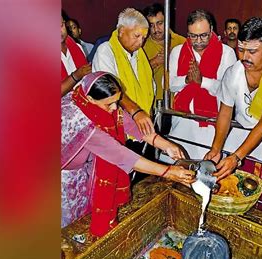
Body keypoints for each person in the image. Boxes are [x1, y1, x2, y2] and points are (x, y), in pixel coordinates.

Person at [61, 72, 195, 237]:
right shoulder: (81, 121)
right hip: (62, 182)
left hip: (81, 172)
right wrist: (168, 172)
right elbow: (122, 156)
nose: (115, 108)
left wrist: (166, 145)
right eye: (109, 104)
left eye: (117, 102)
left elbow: (133, 127)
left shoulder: (100, 106)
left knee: (83, 220)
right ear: (90, 99)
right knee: (66, 229)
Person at [61, 13, 154, 136]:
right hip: (65, 121)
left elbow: (150, 87)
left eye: (61, 24)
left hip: (83, 117)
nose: (141, 42)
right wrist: (135, 111)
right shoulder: (106, 51)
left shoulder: (76, 47)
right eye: (136, 36)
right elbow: (109, 91)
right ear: (121, 31)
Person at [164, 9, 237, 161]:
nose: (198, 41)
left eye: (203, 35)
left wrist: (202, 81)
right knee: (177, 171)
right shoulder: (178, 51)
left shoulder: (227, 53)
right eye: (193, 36)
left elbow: (229, 91)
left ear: (212, 31)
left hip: (211, 127)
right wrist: (186, 80)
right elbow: (169, 84)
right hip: (181, 123)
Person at [204, 17, 262, 180]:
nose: (244, 57)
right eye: (241, 49)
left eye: (252, 51)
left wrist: (236, 158)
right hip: (240, 138)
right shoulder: (234, 73)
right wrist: (216, 148)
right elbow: (225, 113)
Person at [142, 3, 186, 105]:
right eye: (151, 25)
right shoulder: (141, 45)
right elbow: (135, 75)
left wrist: (174, 57)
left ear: (167, 22)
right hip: (152, 104)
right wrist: (155, 62)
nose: (156, 29)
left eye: (160, 23)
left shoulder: (182, 43)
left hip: (179, 104)